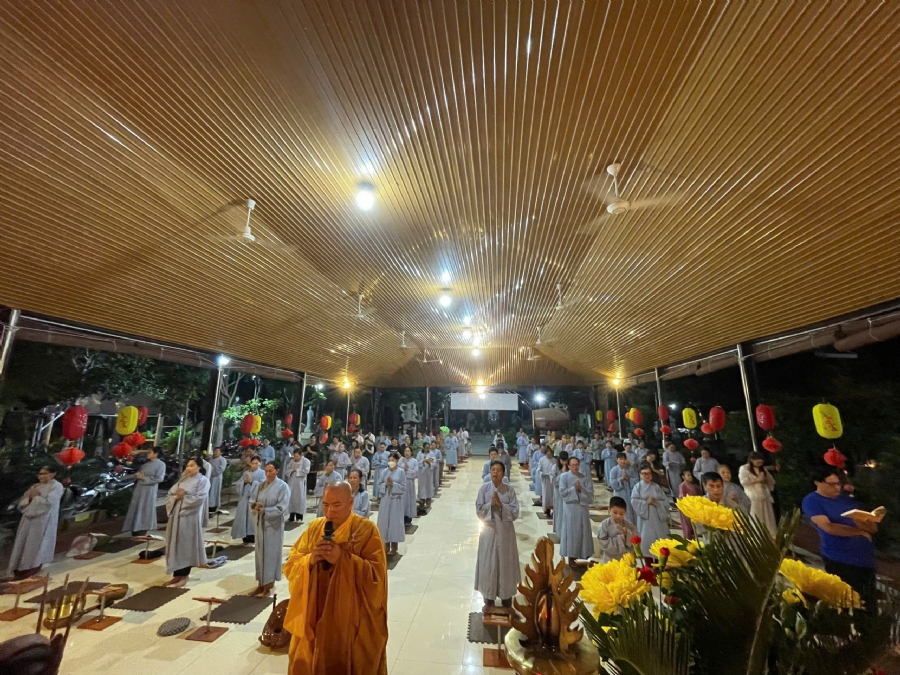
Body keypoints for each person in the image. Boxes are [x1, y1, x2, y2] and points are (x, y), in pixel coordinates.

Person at [283, 482, 388, 675]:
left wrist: (344, 559)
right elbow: (291, 565)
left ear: (351, 502)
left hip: (349, 619)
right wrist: (310, 561)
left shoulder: (366, 530)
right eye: (325, 505)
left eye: (336, 505)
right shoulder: (315, 528)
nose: (330, 511)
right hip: (315, 611)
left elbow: (377, 578)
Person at [802, 466, 877, 610]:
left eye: (838, 484)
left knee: (868, 602)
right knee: (847, 602)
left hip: (865, 559)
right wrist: (859, 532)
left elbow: (872, 529)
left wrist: (869, 522)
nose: (837, 488)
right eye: (831, 484)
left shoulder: (846, 501)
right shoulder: (813, 500)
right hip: (840, 557)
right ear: (817, 482)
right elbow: (828, 527)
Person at [474, 460, 521, 609]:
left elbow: (515, 512)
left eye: (499, 470)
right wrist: (491, 505)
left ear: (503, 473)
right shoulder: (484, 489)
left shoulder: (509, 490)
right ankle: (489, 598)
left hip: (505, 532)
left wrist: (501, 505)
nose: (495, 472)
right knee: (488, 562)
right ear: (490, 472)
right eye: (493, 469)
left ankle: (506, 598)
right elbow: (479, 511)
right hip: (489, 531)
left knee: (506, 563)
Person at [7, 466, 63, 579]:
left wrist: (36, 497)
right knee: (22, 543)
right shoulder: (36, 486)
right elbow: (23, 502)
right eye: (40, 474)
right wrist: (30, 498)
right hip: (28, 518)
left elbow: (49, 504)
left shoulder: (56, 486)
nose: (40, 476)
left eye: (44, 473)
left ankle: (30, 569)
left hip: (42, 520)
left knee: (35, 545)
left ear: (53, 474)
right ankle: (17, 569)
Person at [164, 458, 209, 587]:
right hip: (176, 516)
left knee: (186, 545)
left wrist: (184, 497)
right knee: (175, 544)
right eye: (187, 466)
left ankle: (184, 575)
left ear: (199, 467)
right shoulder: (183, 480)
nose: (188, 468)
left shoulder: (203, 480)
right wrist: (176, 497)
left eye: (192, 465)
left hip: (189, 517)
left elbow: (200, 498)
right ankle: (177, 575)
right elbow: (170, 494)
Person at [249, 461, 290, 596]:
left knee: (271, 554)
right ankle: (260, 583)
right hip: (260, 523)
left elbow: (282, 507)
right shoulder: (260, 485)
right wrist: (255, 506)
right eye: (266, 471)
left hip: (273, 526)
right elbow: (252, 500)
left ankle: (269, 585)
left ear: (277, 471)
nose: (267, 473)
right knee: (260, 554)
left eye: (270, 471)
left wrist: (266, 510)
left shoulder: (283, 486)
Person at [557, 457, 594, 567]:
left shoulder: (584, 477)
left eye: (577, 464)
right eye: (572, 465)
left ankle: (583, 553)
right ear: (568, 466)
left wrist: (581, 489)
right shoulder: (564, 477)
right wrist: (574, 489)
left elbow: (590, 494)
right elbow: (562, 493)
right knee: (572, 532)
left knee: (583, 531)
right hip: (570, 508)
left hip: (582, 507)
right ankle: (571, 557)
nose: (575, 467)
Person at [123, 448, 166, 536]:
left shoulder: (161, 464)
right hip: (139, 488)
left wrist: (144, 478)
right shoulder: (145, 464)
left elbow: (159, 478)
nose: (148, 454)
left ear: (156, 454)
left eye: (150, 452)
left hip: (149, 489)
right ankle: (134, 527)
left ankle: (142, 528)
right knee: (136, 506)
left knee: (145, 507)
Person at [631, 465, 670, 553]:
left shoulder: (656, 487)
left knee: (660, 538)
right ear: (640, 474)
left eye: (649, 473)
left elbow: (665, 500)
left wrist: (657, 503)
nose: (647, 476)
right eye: (644, 473)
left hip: (657, 516)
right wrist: (646, 502)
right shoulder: (637, 487)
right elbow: (634, 501)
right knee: (646, 538)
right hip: (645, 518)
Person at [739, 452, 777, 535]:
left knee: (768, 517)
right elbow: (743, 481)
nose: (759, 464)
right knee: (756, 516)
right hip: (753, 496)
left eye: (761, 463)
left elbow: (771, 481)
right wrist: (757, 480)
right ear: (752, 460)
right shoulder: (744, 468)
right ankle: (757, 535)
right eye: (757, 462)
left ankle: (770, 534)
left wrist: (765, 480)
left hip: (764, 495)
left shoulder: (763, 469)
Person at [376, 452, 407, 555]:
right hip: (385, 499)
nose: (391, 462)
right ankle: (385, 546)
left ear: (397, 461)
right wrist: (385, 484)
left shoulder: (401, 472)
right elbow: (378, 485)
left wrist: (393, 484)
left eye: (393, 460)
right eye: (389, 460)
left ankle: (394, 547)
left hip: (396, 500)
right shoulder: (384, 471)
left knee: (394, 522)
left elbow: (403, 487)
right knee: (384, 522)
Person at [232, 456, 265, 544]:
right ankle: (245, 536)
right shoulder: (246, 473)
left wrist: (252, 482)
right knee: (244, 519)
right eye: (252, 463)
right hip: (244, 498)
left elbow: (263, 485)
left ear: (260, 463)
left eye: (256, 463)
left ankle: (253, 537)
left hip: (255, 499)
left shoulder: (262, 473)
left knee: (252, 519)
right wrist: (244, 482)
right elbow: (238, 484)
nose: (254, 465)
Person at [597, 496, 639, 562]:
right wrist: (621, 538)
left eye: (621, 514)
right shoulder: (605, 524)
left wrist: (626, 533)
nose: (618, 516)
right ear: (609, 509)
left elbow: (637, 538)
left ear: (625, 513)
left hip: (626, 559)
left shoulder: (629, 525)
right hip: (610, 559)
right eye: (615, 512)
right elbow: (603, 542)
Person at [608, 453, 639, 523]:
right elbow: (612, 483)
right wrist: (621, 479)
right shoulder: (614, 470)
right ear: (617, 460)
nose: (623, 461)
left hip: (630, 493)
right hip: (620, 493)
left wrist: (629, 479)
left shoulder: (630, 469)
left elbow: (637, 480)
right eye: (620, 459)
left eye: (624, 459)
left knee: (630, 510)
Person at [286, 449, 311, 522]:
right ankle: (291, 516)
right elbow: (286, 471)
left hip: (300, 482)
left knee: (300, 499)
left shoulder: (306, 461)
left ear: (301, 455)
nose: (295, 458)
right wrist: (292, 470)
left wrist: (297, 470)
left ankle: (299, 517)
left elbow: (306, 471)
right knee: (291, 498)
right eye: (294, 456)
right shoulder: (291, 461)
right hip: (291, 482)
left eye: (297, 456)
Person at [677, 469, 702, 539]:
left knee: (693, 525)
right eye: (688, 475)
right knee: (687, 525)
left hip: (693, 507)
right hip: (686, 507)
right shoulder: (682, 485)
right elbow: (682, 497)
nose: (690, 477)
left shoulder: (693, 486)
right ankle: (688, 540)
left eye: (690, 475)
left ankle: (693, 540)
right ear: (683, 477)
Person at [399, 446, 419, 525]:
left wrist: (408, 469)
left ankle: (408, 518)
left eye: (408, 451)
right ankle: (401, 517)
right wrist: (403, 469)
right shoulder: (401, 460)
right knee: (402, 500)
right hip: (401, 482)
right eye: (405, 451)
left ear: (411, 452)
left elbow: (416, 472)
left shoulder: (414, 461)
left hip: (410, 482)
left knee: (409, 500)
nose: (406, 453)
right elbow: (397, 470)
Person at [539, 446, 558, 518]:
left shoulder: (554, 460)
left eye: (550, 454)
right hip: (545, 479)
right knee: (546, 494)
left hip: (552, 480)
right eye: (547, 454)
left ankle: (553, 508)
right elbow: (539, 469)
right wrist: (542, 473)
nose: (549, 455)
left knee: (553, 495)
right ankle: (546, 509)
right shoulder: (542, 460)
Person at [208, 446, 227, 513]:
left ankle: (213, 506)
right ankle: (208, 505)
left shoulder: (222, 460)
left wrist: (212, 472)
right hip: (209, 478)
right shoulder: (210, 459)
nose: (215, 453)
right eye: (214, 451)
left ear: (220, 452)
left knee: (214, 491)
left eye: (217, 451)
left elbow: (221, 469)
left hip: (216, 478)